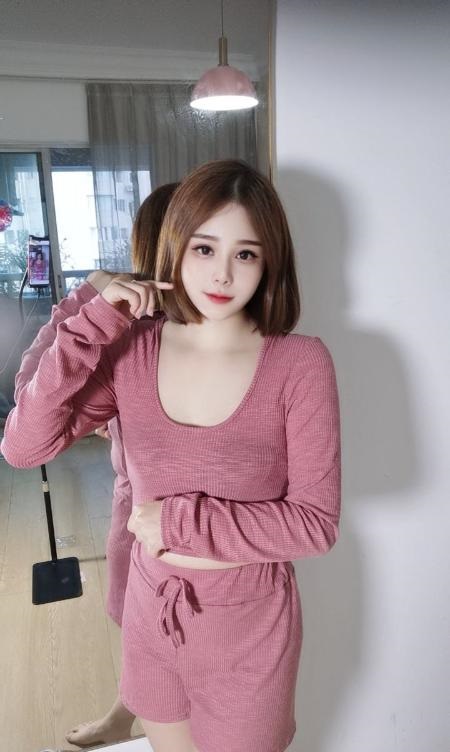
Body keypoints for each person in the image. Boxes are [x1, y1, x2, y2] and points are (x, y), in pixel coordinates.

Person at [1, 159, 341, 752]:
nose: (223, 273)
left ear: (270, 263)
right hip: (151, 615)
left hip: (249, 631)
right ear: (176, 247)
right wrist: (88, 317)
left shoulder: (300, 363)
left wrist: (179, 523)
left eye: (245, 253)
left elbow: (315, 525)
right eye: (205, 248)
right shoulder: (132, 349)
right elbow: (24, 446)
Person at [9, 183, 179, 747]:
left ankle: (131, 719)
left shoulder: (278, 354)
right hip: (137, 512)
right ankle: (126, 715)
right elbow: (26, 430)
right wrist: (89, 298)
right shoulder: (132, 341)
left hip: (216, 553)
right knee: (139, 634)